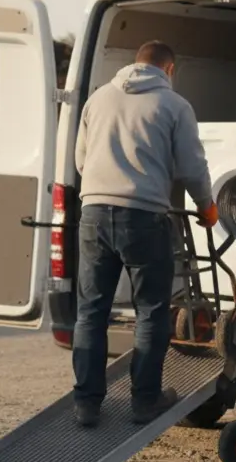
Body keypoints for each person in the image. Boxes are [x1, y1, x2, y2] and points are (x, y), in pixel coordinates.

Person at [71, 40, 218, 428]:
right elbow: (192, 166)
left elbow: (81, 160)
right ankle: (145, 401)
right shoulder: (174, 106)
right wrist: (208, 206)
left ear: (133, 64)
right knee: (151, 312)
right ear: (169, 70)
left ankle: (86, 403)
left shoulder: (98, 99)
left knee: (91, 311)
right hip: (144, 217)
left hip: (93, 215)